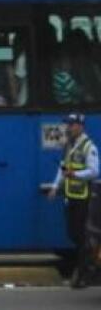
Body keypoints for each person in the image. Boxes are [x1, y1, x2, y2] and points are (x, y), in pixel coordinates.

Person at [49, 112, 99, 288]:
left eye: (71, 124)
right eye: (68, 124)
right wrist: (55, 186)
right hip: (71, 198)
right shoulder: (69, 145)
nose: (68, 128)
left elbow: (94, 171)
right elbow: (63, 169)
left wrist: (75, 174)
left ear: (80, 126)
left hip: (85, 199)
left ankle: (84, 273)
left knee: (82, 236)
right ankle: (86, 268)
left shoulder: (88, 147)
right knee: (73, 234)